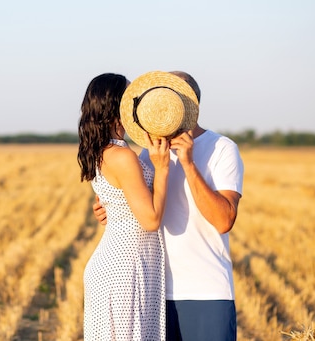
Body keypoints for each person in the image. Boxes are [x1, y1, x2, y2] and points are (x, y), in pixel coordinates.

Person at [94, 70, 244, 341]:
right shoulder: (148, 153)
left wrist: (188, 163)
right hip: (152, 291)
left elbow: (224, 220)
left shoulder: (222, 148)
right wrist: (111, 209)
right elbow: (138, 206)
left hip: (206, 291)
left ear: (190, 105)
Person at [78, 72, 175, 341]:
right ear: (117, 107)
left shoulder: (103, 151)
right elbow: (151, 220)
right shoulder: (122, 157)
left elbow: (119, 205)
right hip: (125, 268)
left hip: (120, 263)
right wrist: (163, 169)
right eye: (132, 100)